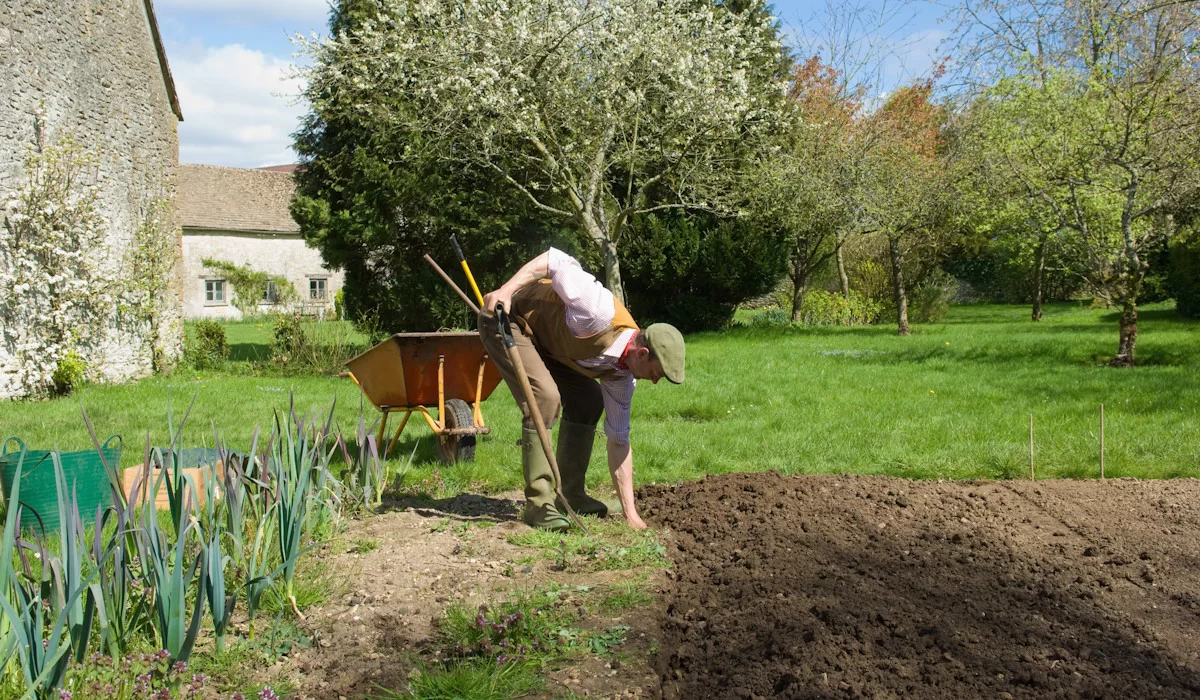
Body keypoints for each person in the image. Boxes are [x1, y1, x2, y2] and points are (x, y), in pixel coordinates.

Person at [478, 248, 685, 531]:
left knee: (588, 400)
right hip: (508, 320)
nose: (655, 381)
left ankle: (571, 495)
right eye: (656, 373)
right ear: (642, 354)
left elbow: (619, 441)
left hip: (551, 345)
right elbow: (555, 259)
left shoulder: (622, 378)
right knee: (545, 399)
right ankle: (540, 505)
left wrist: (631, 513)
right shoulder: (597, 311)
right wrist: (506, 290)